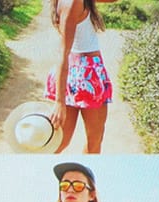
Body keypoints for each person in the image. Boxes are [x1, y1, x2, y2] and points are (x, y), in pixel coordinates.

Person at [47, 0, 112, 154]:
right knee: (94, 142)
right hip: (87, 75)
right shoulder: (73, 2)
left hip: (78, 72)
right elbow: (63, 52)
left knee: (59, 142)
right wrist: (59, 102)